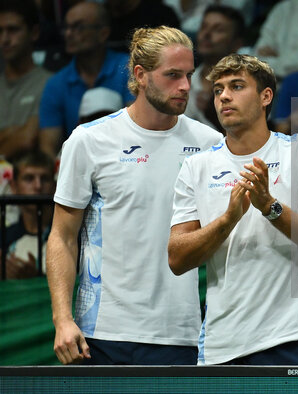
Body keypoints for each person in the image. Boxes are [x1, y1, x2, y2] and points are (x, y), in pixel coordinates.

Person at [46, 26, 222, 365]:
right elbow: (62, 237)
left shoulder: (209, 144)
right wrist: (62, 320)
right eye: (172, 75)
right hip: (101, 333)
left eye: (189, 75)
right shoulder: (89, 141)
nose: (185, 86)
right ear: (140, 75)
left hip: (182, 333)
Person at [168, 54, 298, 365]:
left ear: (265, 96)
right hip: (222, 345)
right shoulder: (196, 167)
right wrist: (228, 220)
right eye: (218, 89)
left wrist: (269, 207)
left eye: (236, 86)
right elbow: (177, 258)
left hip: (293, 338)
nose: (224, 97)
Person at [38, 1, 134, 158]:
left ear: (103, 33)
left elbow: (139, 127)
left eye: (78, 27)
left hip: (125, 159)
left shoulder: (129, 68)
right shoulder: (56, 84)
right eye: (66, 27)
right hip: (77, 164)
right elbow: (47, 149)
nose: (68, 33)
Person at [0, 0, 52, 161]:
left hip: (31, 181)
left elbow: (26, 140)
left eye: (13, 30)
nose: (4, 39)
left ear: (34, 32)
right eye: (0, 31)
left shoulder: (50, 83)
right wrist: (14, 132)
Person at [184, 5, 245, 132]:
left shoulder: (247, 87)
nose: (206, 34)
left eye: (218, 30)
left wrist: (214, 114)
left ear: (237, 44)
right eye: (204, 27)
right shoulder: (183, 81)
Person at [4, 150, 55, 280]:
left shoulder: (71, 237)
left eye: (45, 179)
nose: (38, 186)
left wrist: (34, 279)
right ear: (14, 186)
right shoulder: (4, 238)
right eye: (29, 178)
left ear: (55, 186)